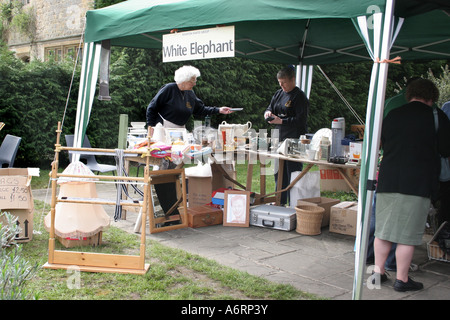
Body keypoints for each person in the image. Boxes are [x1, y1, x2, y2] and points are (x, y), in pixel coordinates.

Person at [373, 79, 450, 292]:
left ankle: (378, 273)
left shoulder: (392, 114)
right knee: (408, 234)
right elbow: (445, 148)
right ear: (431, 97)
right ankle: (402, 279)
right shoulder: (436, 117)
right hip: (417, 181)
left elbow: (383, 143)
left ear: (410, 94)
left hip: (388, 178)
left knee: (383, 230)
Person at [264, 66, 309, 206]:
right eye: (279, 82)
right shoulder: (278, 93)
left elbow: (301, 120)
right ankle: (280, 201)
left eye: (284, 82)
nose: (281, 85)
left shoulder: (299, 97)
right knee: (279, 171)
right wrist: (268, 113)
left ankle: (295, 203)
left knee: (293, 172)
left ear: (293, 80)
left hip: (295, 139)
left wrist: (282, 121)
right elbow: (270, 107)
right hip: (279, 137)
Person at [146, 65, 232, 129]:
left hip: (180, 130)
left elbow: (200, 109)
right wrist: (151, 127)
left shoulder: (190, 93)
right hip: (162, 128)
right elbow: (152, 107)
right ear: (183, 81)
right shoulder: (169, 89)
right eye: (192, 82)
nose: (194, 84)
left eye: (195, 81)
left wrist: (219, 110)